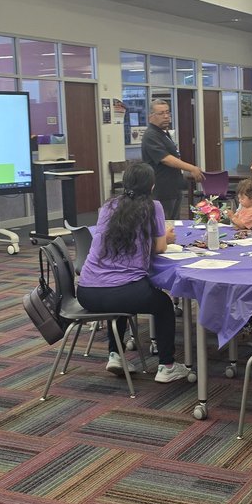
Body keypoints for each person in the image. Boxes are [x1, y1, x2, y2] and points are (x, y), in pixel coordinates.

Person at [76, 162, 188, 383]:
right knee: (163, 305)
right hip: (123, 291)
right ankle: (167, 365)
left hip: (87, 290)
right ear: (152, 185)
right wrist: (166, 236)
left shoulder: (108, 207)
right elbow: (159, 248)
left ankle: (115, 354)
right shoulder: (152, 207)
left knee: (117, 301)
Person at [141, 99, 204, 220]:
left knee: (175, 225)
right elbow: (165, 159)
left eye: (167, 112)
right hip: (161, 190)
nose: (166, 116)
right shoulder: (151, 135)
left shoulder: (164, 133)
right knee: (164, 225)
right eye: (161, 113)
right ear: (151, 117)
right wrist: (191, 168)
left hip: (173, 187)